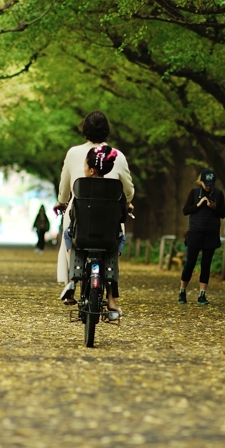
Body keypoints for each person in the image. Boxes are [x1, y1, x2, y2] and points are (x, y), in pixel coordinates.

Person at [53, 111, 134, 313]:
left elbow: (64, 187)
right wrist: (128, 201)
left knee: (70, 234)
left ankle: (71, 281)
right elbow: (129, 190)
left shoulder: (73, 153)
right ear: (107, 130)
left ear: (85, 129)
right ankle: (111, 296)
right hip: (109, 215)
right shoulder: (117, 156)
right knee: (114, 242)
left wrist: (62, 202)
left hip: (80, 213)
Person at [179, 169, 225, 305]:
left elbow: (223, 214)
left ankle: (202, 294)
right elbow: (185, 211)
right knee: (190, 263)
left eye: (211, 184)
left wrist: (214, 207)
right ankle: (182, 291)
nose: (208, 187)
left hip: (211, 233)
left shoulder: (218, 194)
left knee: (206, 264)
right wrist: (198, 205)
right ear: (201, 182)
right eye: (206, 184)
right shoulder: (194, 193)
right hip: (195, 232)